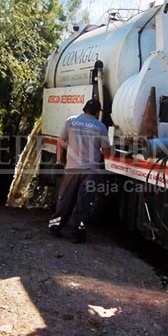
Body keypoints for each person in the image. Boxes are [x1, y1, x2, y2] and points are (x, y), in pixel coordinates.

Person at [48, 99, 111, 243]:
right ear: (96, 112)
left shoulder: (71, 121)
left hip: (72, 168)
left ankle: (54, 228)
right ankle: (77, 234)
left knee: (65, 200)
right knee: (84, 203)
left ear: (84, 109)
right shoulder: (100, 127)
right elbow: (107, 152)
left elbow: (60, 140)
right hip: (90, 170)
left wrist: (60, 159)